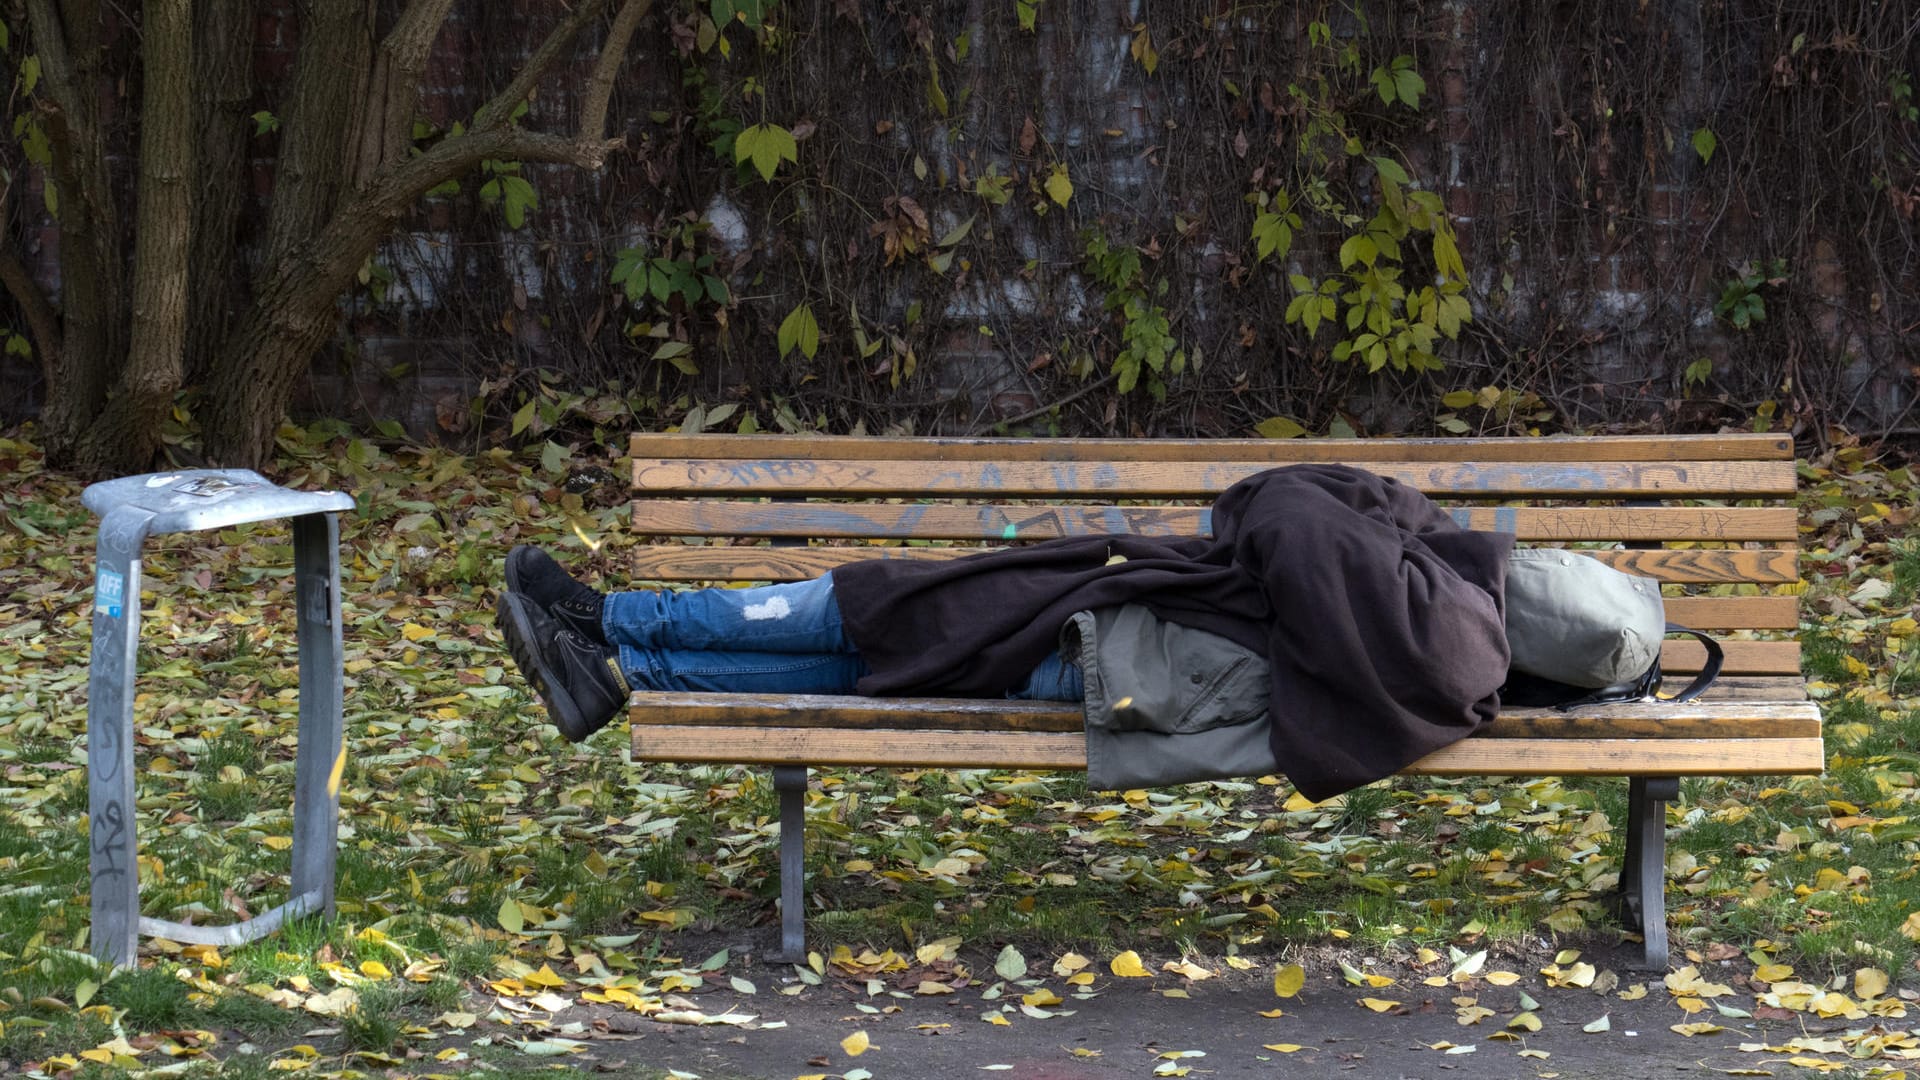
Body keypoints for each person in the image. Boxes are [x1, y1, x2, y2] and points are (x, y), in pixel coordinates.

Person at [495, 547, 1084, 743]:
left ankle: (605, 624)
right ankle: (620, 671)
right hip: (1036, 659)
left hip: (1040, 641)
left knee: (860, 609)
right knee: (847, 664)